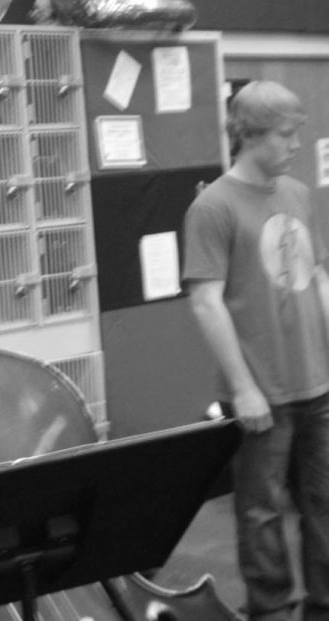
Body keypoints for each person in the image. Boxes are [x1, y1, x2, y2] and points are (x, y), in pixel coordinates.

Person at [183, 80, 329, 621]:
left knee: (325, 504)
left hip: (318, 387)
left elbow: (314, 275)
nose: (296, 145)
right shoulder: (213, 206)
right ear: (249, 136)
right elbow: (206, 303)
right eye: (287, 135)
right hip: (262, 391)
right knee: (261, 513)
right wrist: (243, 388)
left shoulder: (296, 193)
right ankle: (270, 611)